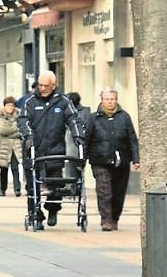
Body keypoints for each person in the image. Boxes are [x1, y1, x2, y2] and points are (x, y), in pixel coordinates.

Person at [17, 70, 84, 231]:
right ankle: (36, 215)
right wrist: (28, 137)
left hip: (55, 150)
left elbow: (73, 119)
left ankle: (53, 210)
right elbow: (23, 120)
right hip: (34, 151)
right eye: (40, 85)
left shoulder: (63, 102)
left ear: (53, 85)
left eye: (46, 85)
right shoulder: (30, 102)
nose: (42, 88)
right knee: (33, 186)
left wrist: (78, 135)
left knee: (55, 185)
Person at [86, 86, 139, 232]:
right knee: (104, 191)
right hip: (100, 160)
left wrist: (136, 159)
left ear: (116, 100)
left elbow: (132, 139)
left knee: (118, 192)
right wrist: (82, 160)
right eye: (107, 99)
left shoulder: (124, 116)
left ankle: (115, 217)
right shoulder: (93, 117)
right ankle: (106, 219)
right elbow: (86, 140)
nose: (110, 102)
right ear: (102, 100)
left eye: (112, 99)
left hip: (121, 160)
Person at [0, 96, 22, 197]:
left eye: (12, 105)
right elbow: (2, 130)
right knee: (3, 169)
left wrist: (11, 131)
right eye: (8, 105)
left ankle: (17, 189)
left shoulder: (19, 115)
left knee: (15, 168)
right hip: (3, 146)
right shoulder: (0, 116)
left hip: (15, 147)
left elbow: (21, 130)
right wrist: (15, 129)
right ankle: (3, 189)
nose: (10, 107)